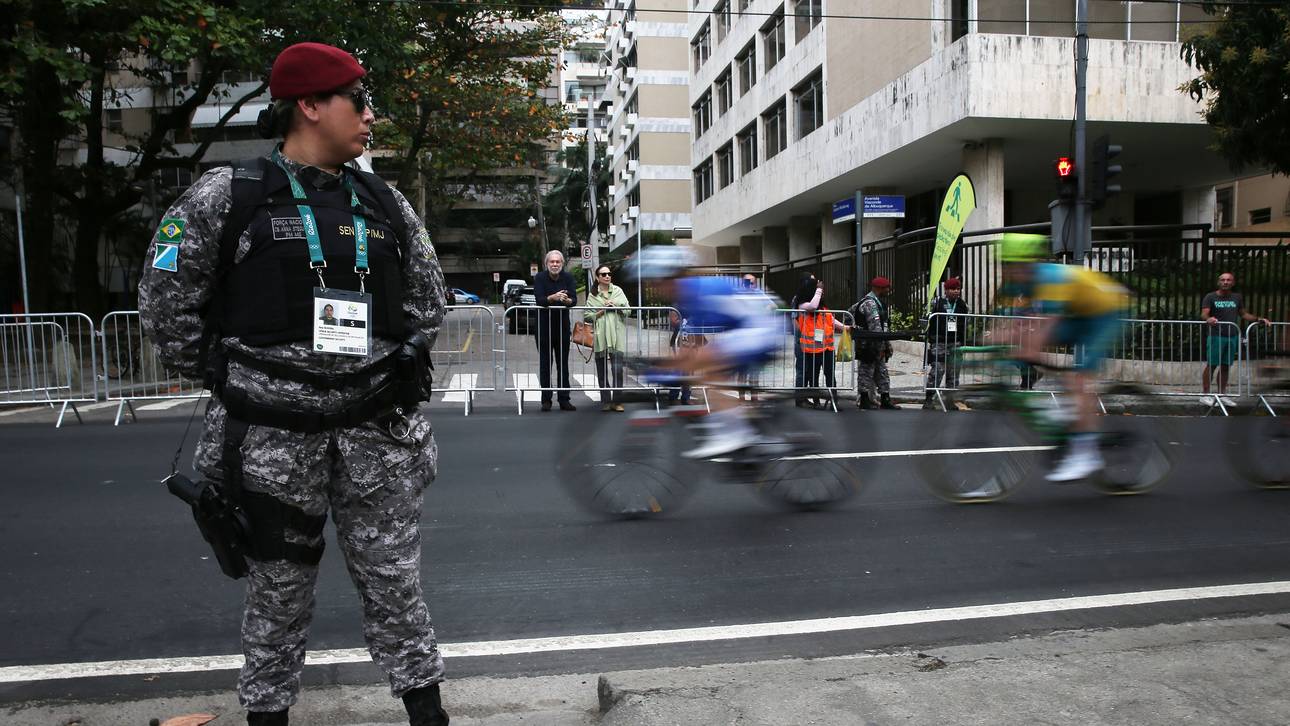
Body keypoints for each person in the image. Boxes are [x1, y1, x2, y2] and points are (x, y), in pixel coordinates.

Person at [137, 43, 449, 726]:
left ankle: (429, 715)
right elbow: (166, 306)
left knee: (397, 588)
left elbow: (428, 303)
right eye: (357, 100)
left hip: (377, 433)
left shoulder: (383, 201)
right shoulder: (228, 195)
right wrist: (237, 377)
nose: (371, 115)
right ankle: (267, 716)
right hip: (271, 440)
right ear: (309, 106)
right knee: (277, 598)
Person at [999, 233, 1131, 482]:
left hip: (1106, 312)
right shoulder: (1018, 283)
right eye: (1008, 265)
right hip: (1080, 313)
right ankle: (1070, 404)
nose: (1013, 271)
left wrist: (1027, 348)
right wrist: (994, 340)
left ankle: (1086, 454)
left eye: (1018, 265)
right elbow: (1017, 321)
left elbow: (1047, 324)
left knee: (1080, 377)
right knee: (1037, 352)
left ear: (1031, 264)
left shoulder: (1051, 278)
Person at [629, 246, 780, 458]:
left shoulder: (695, 292)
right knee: (708, 368)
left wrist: (660, 370)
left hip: (760, 330)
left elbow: (698, 355)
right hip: (749, 329)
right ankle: (746, 426)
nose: (654, 288)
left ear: (670, 278)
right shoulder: (688, 293)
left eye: (655, 282)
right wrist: (661, 365)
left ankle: (734, 435)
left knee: (710, 370)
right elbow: (692, 346)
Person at [1201, 272, 1270, 408]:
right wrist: (1208, 319)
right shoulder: (1211, 296)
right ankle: (1205, 395)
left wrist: (1258, 319)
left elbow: (1243, 314)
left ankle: (1222, 394)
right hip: (1216, 335)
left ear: (1233, 283)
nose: (1225, 282)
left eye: (1228, 280)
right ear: (1218, 282)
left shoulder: (1236, 297)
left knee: (1226, 365)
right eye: (1223, 280)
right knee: (1212, 364)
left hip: (1232, 335)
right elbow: (1204, 313)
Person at [533, 249, 578, 411]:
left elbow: (574, 300)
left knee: (563, 364)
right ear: (546, 264)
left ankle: (564, 399)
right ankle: (546, 400)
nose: (555, 264)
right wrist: (553, 297)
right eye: (552, 262)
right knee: (545, 364)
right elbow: (540, 299)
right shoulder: (539, 278)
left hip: (562, 327)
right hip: (544, 327)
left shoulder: (568, 278)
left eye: (557, 262)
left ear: (562, 264)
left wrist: (566, 301)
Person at [795, 277, 848, 409]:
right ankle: (816, 401)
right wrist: (818, 290)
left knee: (830, 376)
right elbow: (812, 306)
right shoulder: (803, 305)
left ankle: (834, 402)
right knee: (814, 377)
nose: (822, 292)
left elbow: (831, 320)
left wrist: (845, 328)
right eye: (818, 290)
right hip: (811, 350)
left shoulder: (823, 307)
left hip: (827, 349)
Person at [849, 277, 899, 410]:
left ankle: (884, 399)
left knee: (881, 373)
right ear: (878, 289)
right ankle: (865, 400)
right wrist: (882, 347)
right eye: (886, 288)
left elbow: (851, 312)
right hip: (869, 346)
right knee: (866, 373)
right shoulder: (870, 304)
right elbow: (875, 329)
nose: (888, 290)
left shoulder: (874, 302)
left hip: (873, 344)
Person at [585, 264, 629, 412]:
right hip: (600, 337)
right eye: (603, 274)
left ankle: (617, 401)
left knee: (617, 370)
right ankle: (606, 400)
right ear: (598, 278)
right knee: (602, 370)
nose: (607, 276)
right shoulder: (593, 295)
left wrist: (615, 305)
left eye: (609, 274)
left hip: (617, 336)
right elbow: (587, 316)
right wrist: (602, 311)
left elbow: (628, 310)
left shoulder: (618, 291)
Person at [923, 277, 970, 409]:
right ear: (946, 290)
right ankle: (929, 399)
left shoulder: (962, 305)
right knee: (937, 371)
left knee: (953, 373)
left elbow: (965, 324)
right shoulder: (937, 302)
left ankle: (949, 400)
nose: (956, 291)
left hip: (955, 343)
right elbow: (927, 320)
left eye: (958, 289)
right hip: (939, 342)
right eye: (953, 289)